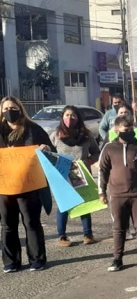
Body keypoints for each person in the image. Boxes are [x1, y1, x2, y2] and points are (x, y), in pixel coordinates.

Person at [98, 115, 137, 272]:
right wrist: (102, 192)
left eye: (132, 129)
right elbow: (102, 171)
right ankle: (117, 258)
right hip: (117, 195)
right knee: (118, 227)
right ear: (117, 130)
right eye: (126, 130)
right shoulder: (109, 148)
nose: (130, 132)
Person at [1, 96, 56, 272]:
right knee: (7, 225)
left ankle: (37, 259)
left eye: (13, 107)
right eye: (6, 108)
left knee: (31, 222)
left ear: (20, 109)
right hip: (5, 187)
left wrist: (46, 149)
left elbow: (51, 150)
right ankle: (11, 262)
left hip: (30, 186)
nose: (10, 111)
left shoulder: (33, 129)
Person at [50, 105, 100, 247]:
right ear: (62, 117)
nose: (69, 118)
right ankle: (62, 236)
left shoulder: (86, 135)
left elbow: (96, 152)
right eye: (66, 115)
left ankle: (88, 233)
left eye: (73, 116)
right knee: (63, 206)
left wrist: (88, 161)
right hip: (63, 174)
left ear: (78, 118)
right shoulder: (56, 135)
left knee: (84, 204)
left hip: (82, 174)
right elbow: (48, 153)